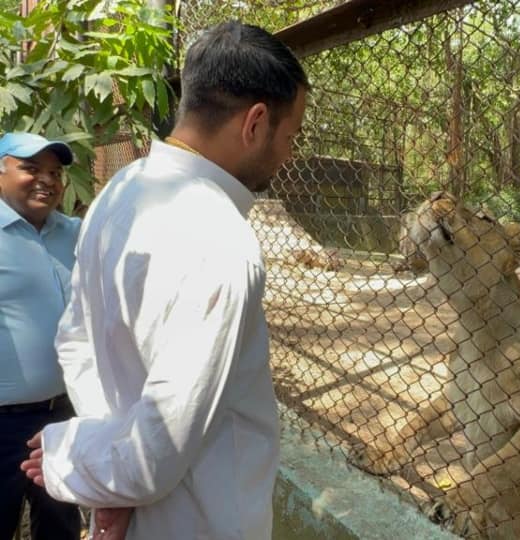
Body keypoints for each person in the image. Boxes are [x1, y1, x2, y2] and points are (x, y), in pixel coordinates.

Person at [20, 21, 308, 540]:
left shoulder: (119, 190)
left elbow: (77, 341)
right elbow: (155, 452)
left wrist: (109, 481)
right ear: (256, 123)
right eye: (290, 136)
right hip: (200, 520)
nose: (289, 154)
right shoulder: (221, 243)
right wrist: (77, 461)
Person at [0, 132, 81, 540]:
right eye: (30, 169)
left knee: (61, 524)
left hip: (65, 415)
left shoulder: (76, 234)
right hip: (4, 423)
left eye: (55, 172)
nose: (46, 180)